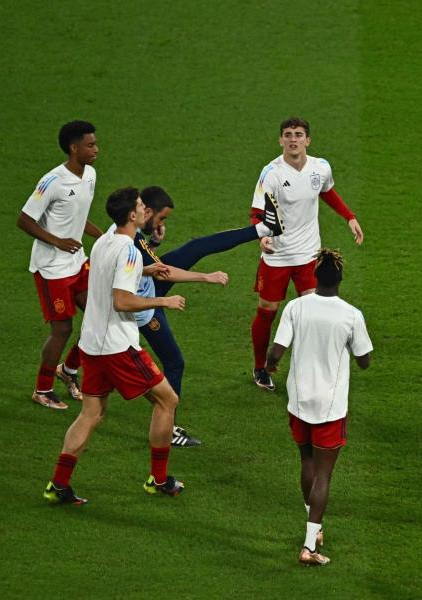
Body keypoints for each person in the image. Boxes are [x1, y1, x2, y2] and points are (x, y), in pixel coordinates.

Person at [105, 185, 284, 446]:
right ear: (142, 212)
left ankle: (263, 228)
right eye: (159, 216)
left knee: (196, 246)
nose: (156, 219)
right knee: (174, 362)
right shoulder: (129, 244)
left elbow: (149, 266)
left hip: (147, 288)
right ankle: (169, 429)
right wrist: (206, 277)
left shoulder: (121, 234)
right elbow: (164, 271)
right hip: (144, 306)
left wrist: (153, 242)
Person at [42, 188, 187, 505]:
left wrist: (145, 270)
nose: (145, 210)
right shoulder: (130, 250)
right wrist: (164, 299)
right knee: (167, 400)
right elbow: (122, 301)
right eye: (140, 206)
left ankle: (59, 484)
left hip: (92, 343)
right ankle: (159, 479)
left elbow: (109, 278)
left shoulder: (105, 240)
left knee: (91, 413)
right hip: (117, 347)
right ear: (132, 215)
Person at [265, 249, 373, 566]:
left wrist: (270, 365)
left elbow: (276, 351)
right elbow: (365, 361)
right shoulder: (351, 315)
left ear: (314, 276)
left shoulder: (296, 308)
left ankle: (315, 523)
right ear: (340, 279)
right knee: (324, 475)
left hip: (298, 401)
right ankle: (310, 546)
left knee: (307, 461)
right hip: (330, 406)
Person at [250, 117, 364, 391]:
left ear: (307, 140)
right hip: (277, 256)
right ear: (280, 140)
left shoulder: (320, 167)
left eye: (298, 134)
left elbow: (326, 191)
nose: (293, 139)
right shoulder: (271, 174)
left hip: (308, 256)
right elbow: (257, 213)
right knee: (268, 312)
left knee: (312, 313)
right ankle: (260, 368)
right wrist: (263, 238)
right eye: (288, 134)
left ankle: (307, 371)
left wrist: (349, 217)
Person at [18, 120, 103, 409]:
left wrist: (101, 237)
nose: (96, 150)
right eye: (90, 145)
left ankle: (67, 371)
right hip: (51, 268)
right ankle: (42, 389)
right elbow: (24, 220)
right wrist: (58, 241)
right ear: (73, 147)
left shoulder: (89, 175)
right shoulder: (52, 181)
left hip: (78, 262)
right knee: (62, 330)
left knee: (100, 314)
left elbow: (78, 214)